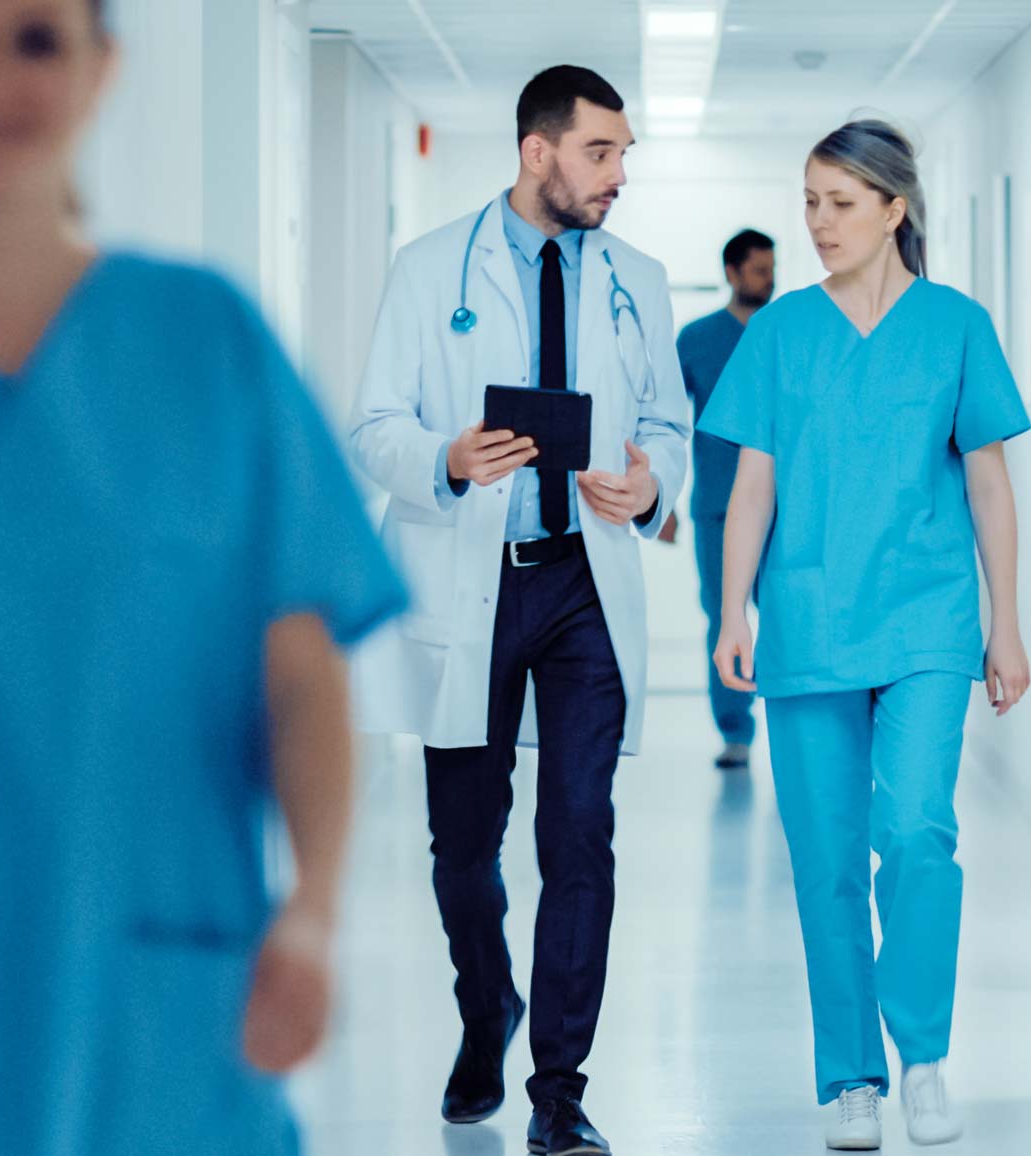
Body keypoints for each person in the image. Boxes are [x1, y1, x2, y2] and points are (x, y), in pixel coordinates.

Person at [0, 2, 406, 1153]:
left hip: (157, 992)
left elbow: (300, 676)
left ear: (100, 71)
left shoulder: (202, 341)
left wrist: (314, 912)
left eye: (37, 40)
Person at [349, 65, 689, 1156]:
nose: (618, 174)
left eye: (624, 153)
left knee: (578, 832)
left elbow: (667, 426)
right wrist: (444, 458)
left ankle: (557, 1089)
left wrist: (650, 488)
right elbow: (372, 426)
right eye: (601, 152)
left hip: (584, 585)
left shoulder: (637, 276)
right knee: (462, 846)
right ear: (537, 151)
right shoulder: (426, 269)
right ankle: (483, 1007)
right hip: (472, 577)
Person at [698, 118, 1031, 1151]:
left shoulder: (954, 325)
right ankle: (850, 1077)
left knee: (916, 832)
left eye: (838, 204)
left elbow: (986, 481)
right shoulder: (781, 331)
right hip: (807, 623)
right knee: (828, 860)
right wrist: (729, 609)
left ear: (893, 209)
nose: (816, 223)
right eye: (807, 201)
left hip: (929, 619)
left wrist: (1005, 624)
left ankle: (919, 1054)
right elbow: (751, 483)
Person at [661, 229, 775, 770]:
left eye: (771, 269)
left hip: (789, 509)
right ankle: (735, 731)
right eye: (757, 270)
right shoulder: (698, 339)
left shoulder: (790, 332)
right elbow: (664, 425)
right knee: (725, 616)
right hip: (717, 506)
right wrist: (662, 500)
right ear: (732, 272)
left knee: (788, 615)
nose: (767, 279)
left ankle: (797, 728)